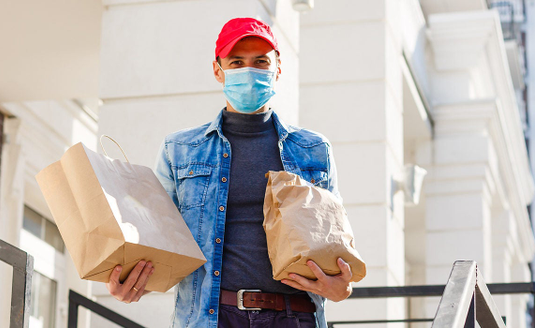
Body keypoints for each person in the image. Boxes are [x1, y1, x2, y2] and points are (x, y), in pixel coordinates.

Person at [105, 17, 353, 328]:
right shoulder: (180, 149)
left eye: (261, 62)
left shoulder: (314, 150)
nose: (249, 71)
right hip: (213, 317)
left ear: (278, 68)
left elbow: (334, 242)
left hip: (295, 316)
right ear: (217, 70)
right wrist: (125, 279)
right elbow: (153, 234)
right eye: (237, 62)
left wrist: (342, 285)